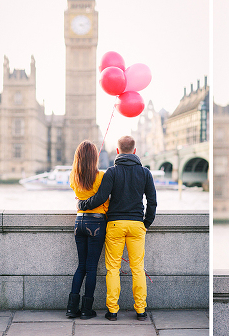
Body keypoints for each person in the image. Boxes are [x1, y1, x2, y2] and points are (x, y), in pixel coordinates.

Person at [77, 135, 157, 321]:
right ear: (135, 151)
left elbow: (100, 198)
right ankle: (141, 310)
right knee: (138, 268)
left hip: (114, 225)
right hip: (137, 225)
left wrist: (83, 204)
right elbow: (152, 202)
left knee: (113, 269)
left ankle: (112, 311)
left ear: (118, 151)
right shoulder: (145, 173)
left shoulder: (112, 172)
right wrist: (146, 223)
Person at [66, 140, 109, 319]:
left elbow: (77, 195)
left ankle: (71, 308)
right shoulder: (102, 176)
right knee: (91, 268)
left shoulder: (72, 176)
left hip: (79, 221)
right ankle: (86, 309)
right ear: (95, 157)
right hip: (96, 223)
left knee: (81, 266)